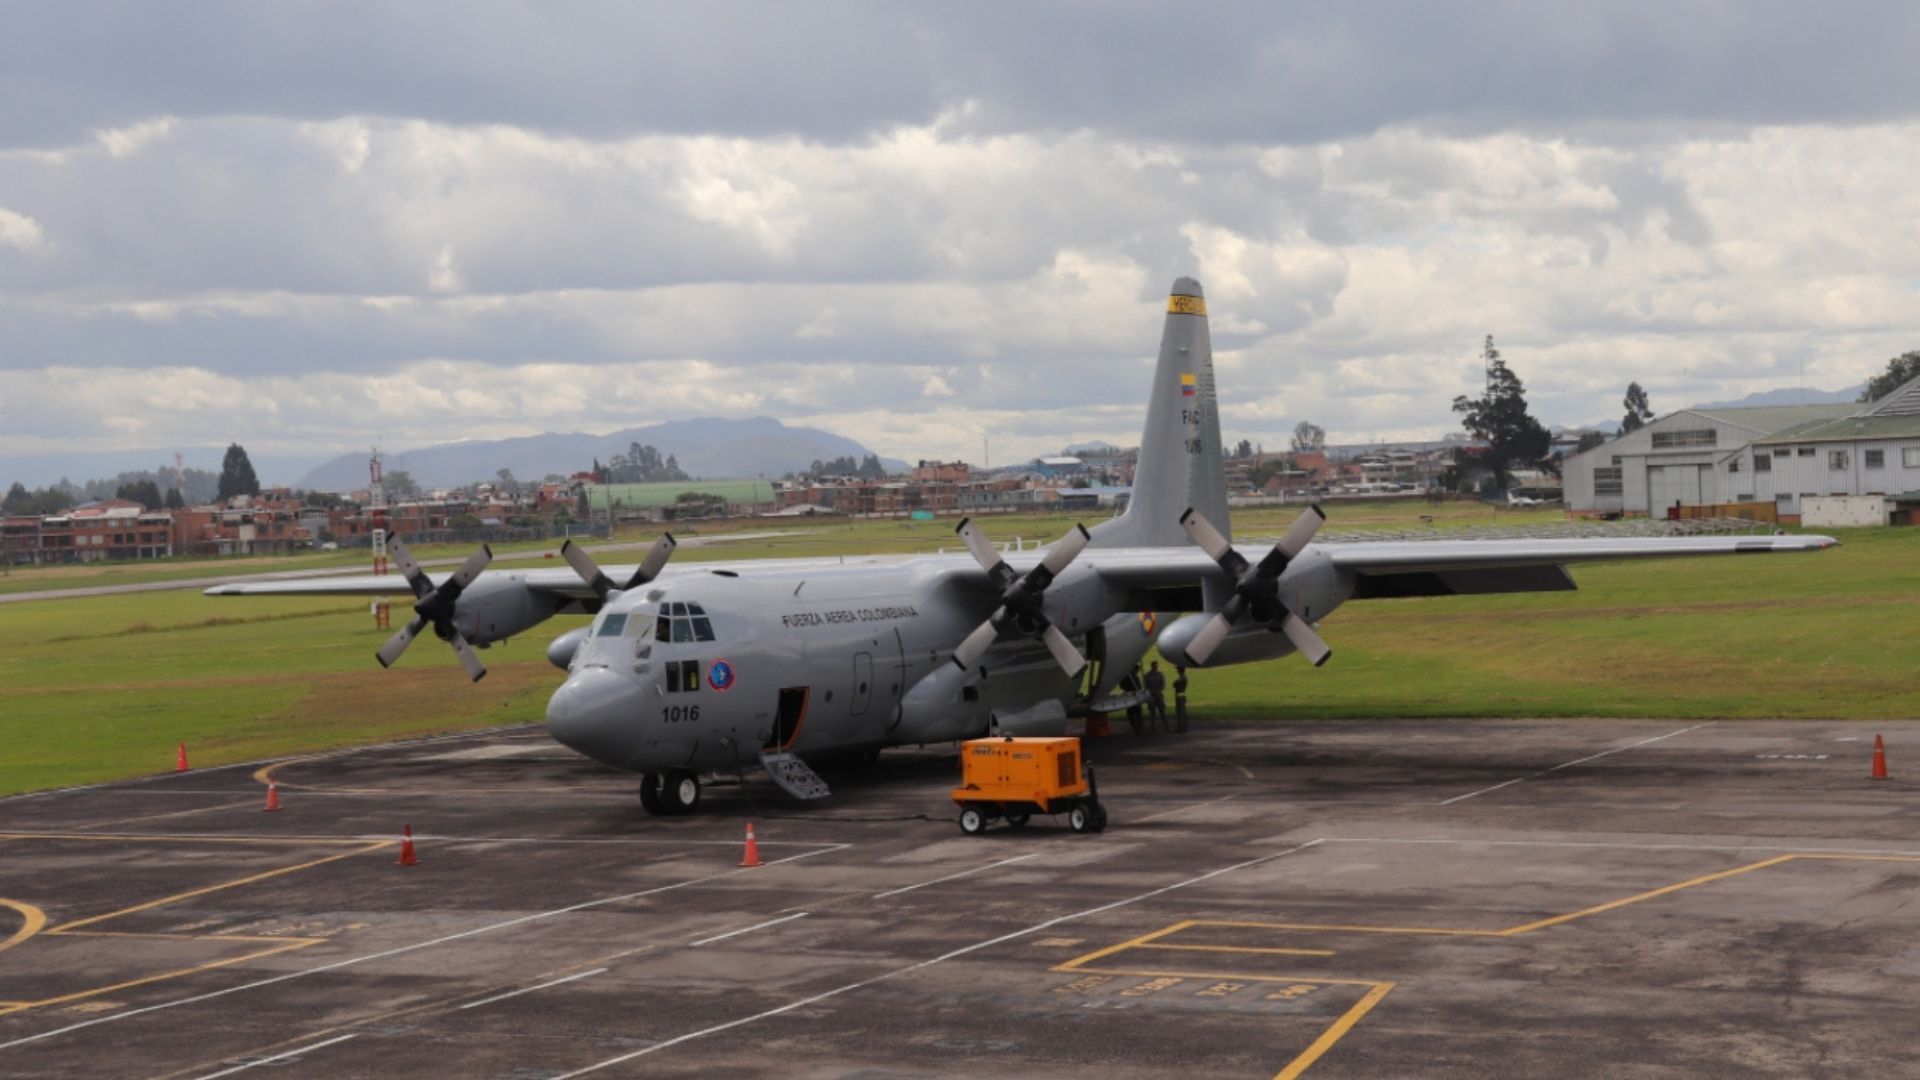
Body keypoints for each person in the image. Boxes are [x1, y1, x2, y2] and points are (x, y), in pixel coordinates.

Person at [1143, 661, 1168, 730]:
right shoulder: (1147, 676)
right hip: (1151, 696)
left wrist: (1158, 691)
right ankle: (1152, 727)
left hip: (1159, 695)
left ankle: (1166, 726)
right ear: (1152, 666)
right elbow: (1146, 686)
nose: (1156, 667)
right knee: (1152, 713)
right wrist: (1153, 692)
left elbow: (1163, 684)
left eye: (1157, 666)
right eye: (1155, 666)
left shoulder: (1160, 674)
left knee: (1162, 711)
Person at [1173, 665, 1189, 731]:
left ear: (1181, 670)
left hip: (1180, 696)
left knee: (1180, 713)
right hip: (1182, 696)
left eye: (1178, 669)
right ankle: (1184, 727)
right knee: (1182, 712)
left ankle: (1180, 728)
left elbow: (1175, 684)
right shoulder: (1182, 677)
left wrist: (1175, 683)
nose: (1177, 670)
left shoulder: (1182, 677)